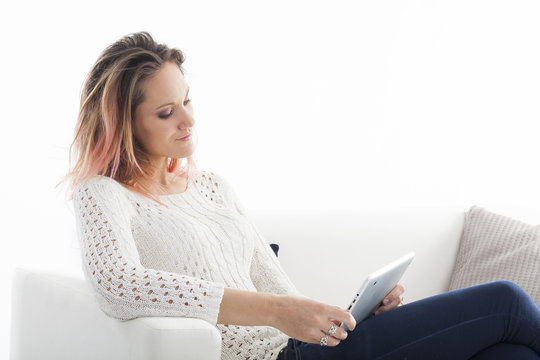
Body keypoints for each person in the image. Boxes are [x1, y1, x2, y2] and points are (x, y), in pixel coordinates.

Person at [60, 31, 540, 360]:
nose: (188, 120)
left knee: (510, 353)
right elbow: (118, 285)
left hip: (306, 348)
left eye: (188, 101)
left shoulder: (213, 188)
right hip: (277, 358)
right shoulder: (104, 195)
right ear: (124, 124)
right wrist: (276, 313)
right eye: (166, 112)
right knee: (507, 301)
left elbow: (284, 294)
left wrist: (350, 314)